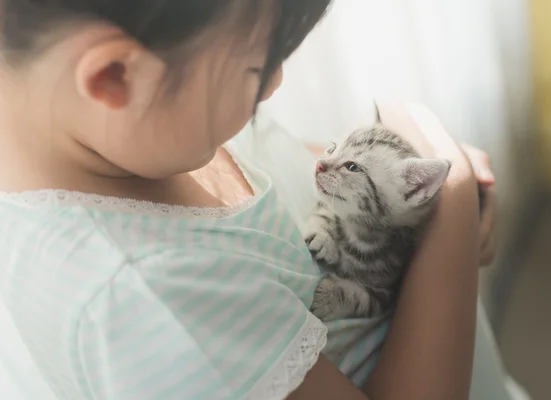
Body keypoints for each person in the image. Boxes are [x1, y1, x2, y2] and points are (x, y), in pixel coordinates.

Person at [0, 1, 501, 399]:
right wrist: (449, 197)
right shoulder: (147, 297)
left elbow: (287, 161)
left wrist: (409, 158)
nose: (276, 84)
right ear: (114, 76)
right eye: (258, 68)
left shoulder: (147, 127)